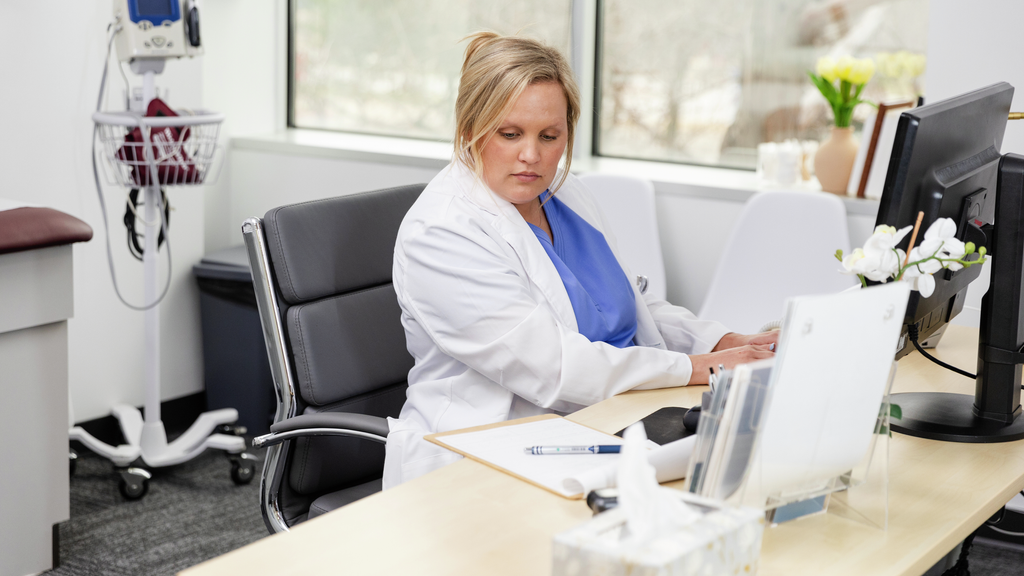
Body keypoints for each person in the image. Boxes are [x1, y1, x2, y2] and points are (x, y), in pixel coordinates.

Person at [382, 32, 778, 489]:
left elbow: (635, 308)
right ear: (471, 128)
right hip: (485, 456)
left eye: (549, 136)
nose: (532, 155)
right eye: (510, 134)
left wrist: (727, 341)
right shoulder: (442, 232)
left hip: (606, 420)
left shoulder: (565, 196)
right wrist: (696, 366)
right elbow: (555, 369)